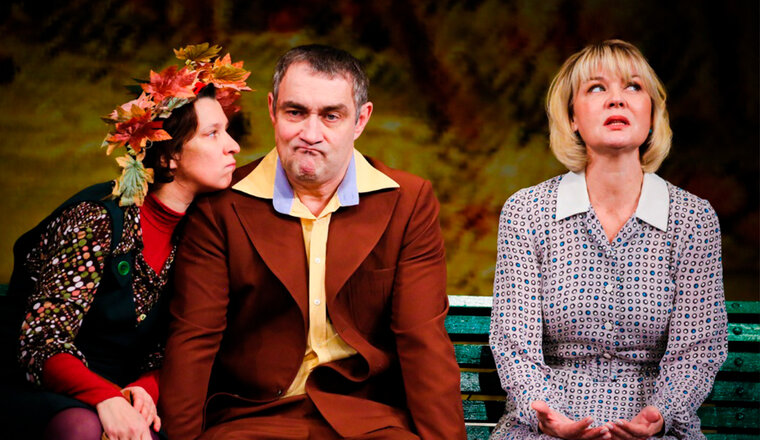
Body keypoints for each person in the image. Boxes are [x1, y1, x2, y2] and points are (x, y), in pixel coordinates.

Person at [159, 44, 466, 440]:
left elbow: (422, 341)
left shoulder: (407, 202)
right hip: (251, 421)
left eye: (331, 116)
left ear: (360, 120)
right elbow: (195, 338)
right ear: (273, 110)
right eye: (295, 112)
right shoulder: (221, 206)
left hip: (368, 422)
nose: (310, 134)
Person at [0, 43, 250, 440]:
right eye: (212, 133)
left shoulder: (201, 232)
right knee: (82, 426)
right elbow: (41, 342)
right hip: (43, 388)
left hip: (127, 396)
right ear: (169, 156)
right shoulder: (97, 218)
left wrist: (144, 390)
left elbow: (182, 343)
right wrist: (106, 398)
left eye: (228, 131)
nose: (233, 146)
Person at [489, 39, 727, 440]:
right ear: (572, 118)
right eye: (597, 88)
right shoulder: (526, 212)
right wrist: (547, 416)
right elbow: (514, 345)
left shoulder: (694, 219)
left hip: (656, 429)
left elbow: (698, 348)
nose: (617, 99)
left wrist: (661, 414)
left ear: (652, 115)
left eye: (633, 86)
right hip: (545, 428)